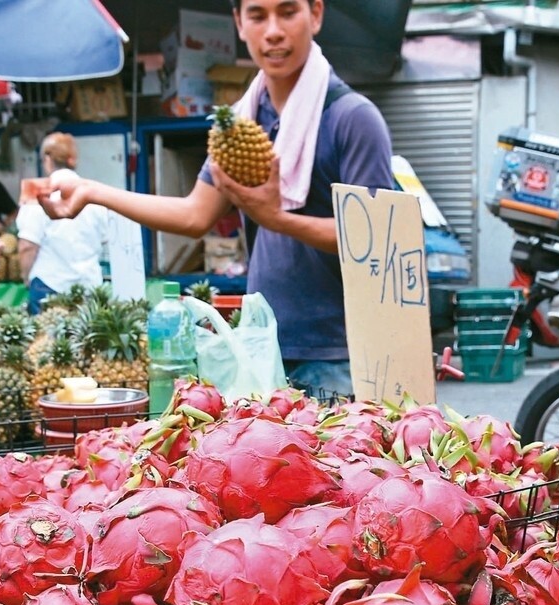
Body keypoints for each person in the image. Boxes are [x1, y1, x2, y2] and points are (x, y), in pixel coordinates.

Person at [43, 0, 394, 396]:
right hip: (264, 347)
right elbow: (195, 214)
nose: (273, 31)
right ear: (239, 24)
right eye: (258, 16)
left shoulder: (352, 119)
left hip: (339, 356)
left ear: (315, 14)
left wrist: (279, 220)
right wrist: (94, 191)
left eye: (288, 12)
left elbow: (379, 239)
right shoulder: (241, 122)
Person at [15, 133, 110, 314]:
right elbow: (105, 238)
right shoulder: (92, 193)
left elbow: (27, 245)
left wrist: (26, 278)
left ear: (47, 159)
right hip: (89, 287)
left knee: (46, 341)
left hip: (48, 285)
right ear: (72, 160)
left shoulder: (39, 194)